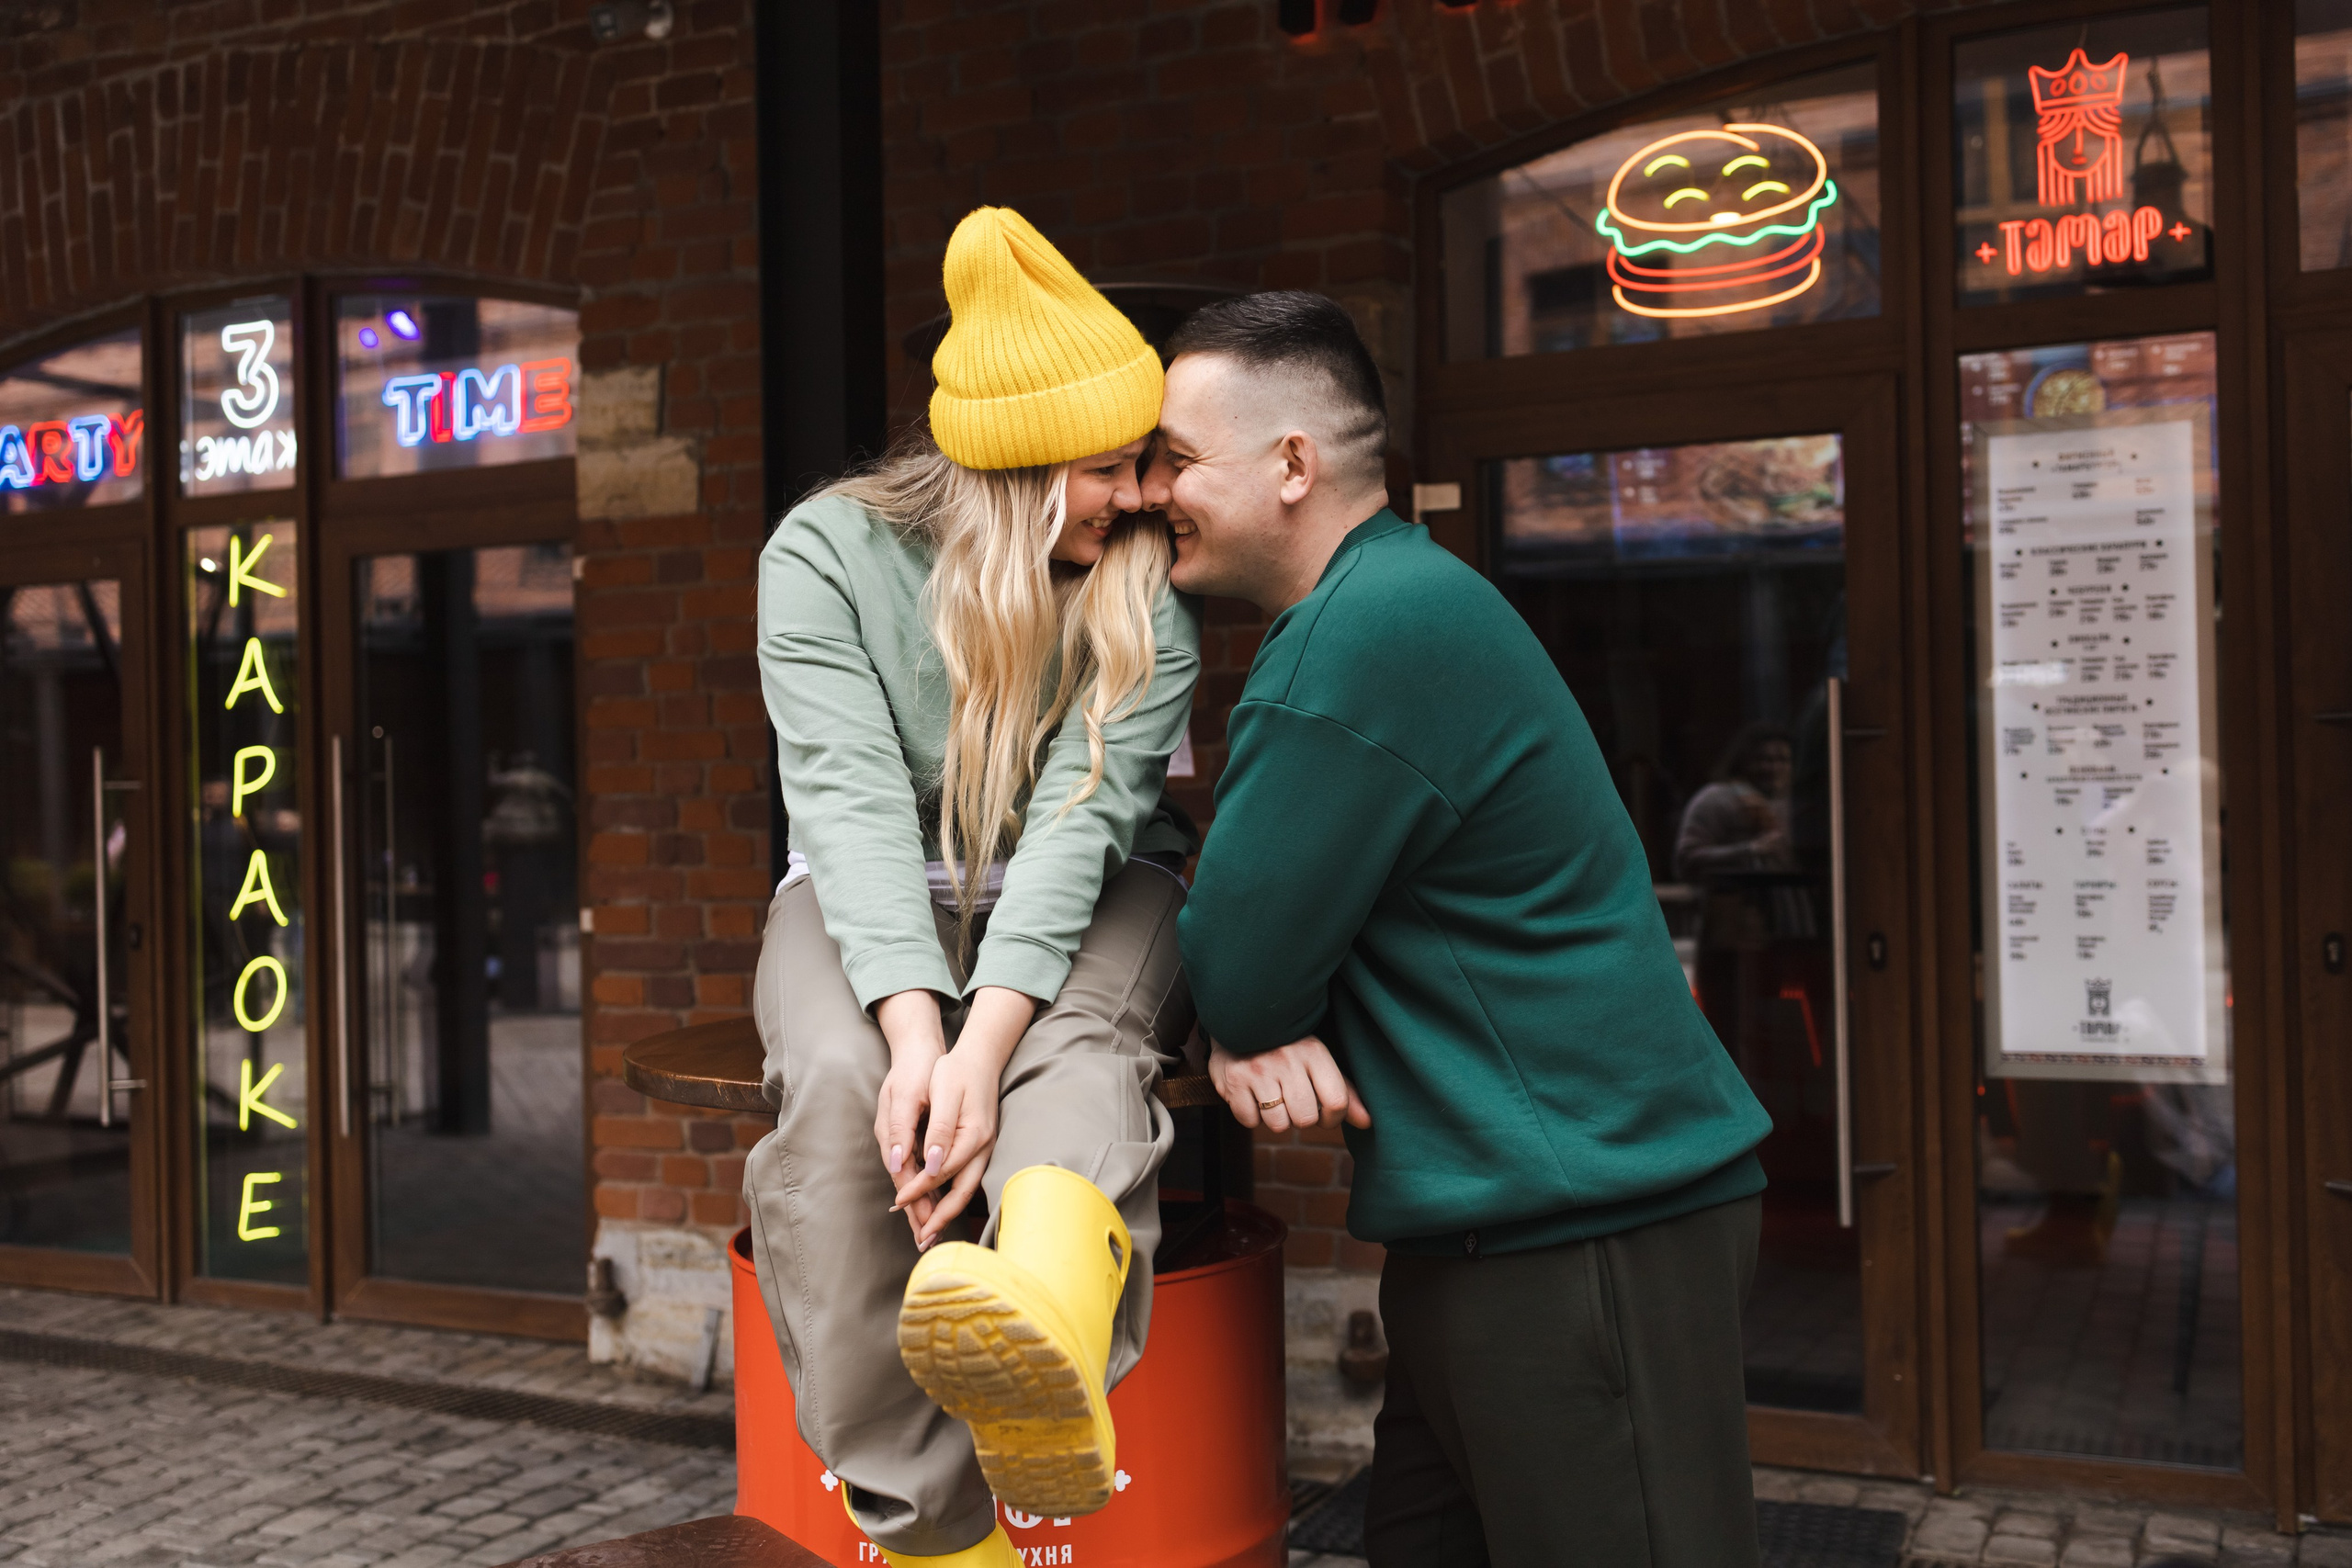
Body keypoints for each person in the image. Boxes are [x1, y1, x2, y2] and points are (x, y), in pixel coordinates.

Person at [1147, 291, 1773, 1568]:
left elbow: (1241, 965)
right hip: (1508, 1220)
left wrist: (1250, 1020)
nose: (1153, 492)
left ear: (1291, 464)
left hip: (1580, 1226)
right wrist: (1251, 1018)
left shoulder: (1355, 640)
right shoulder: (1398, 600)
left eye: (1176, 459)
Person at [745, 207, 1200, 1568]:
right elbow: (848, 806)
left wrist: (980, 1047)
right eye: (1110, 467)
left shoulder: (1142, 592)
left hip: (1097, 879)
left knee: (1076, 1051)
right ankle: (937, 1539)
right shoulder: (823, 556)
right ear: (1017, 466)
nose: (1143, 496)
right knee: (840, 1092)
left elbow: (1081, 824)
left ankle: (1044, 1326)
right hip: (872, 884)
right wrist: (913, 1039)